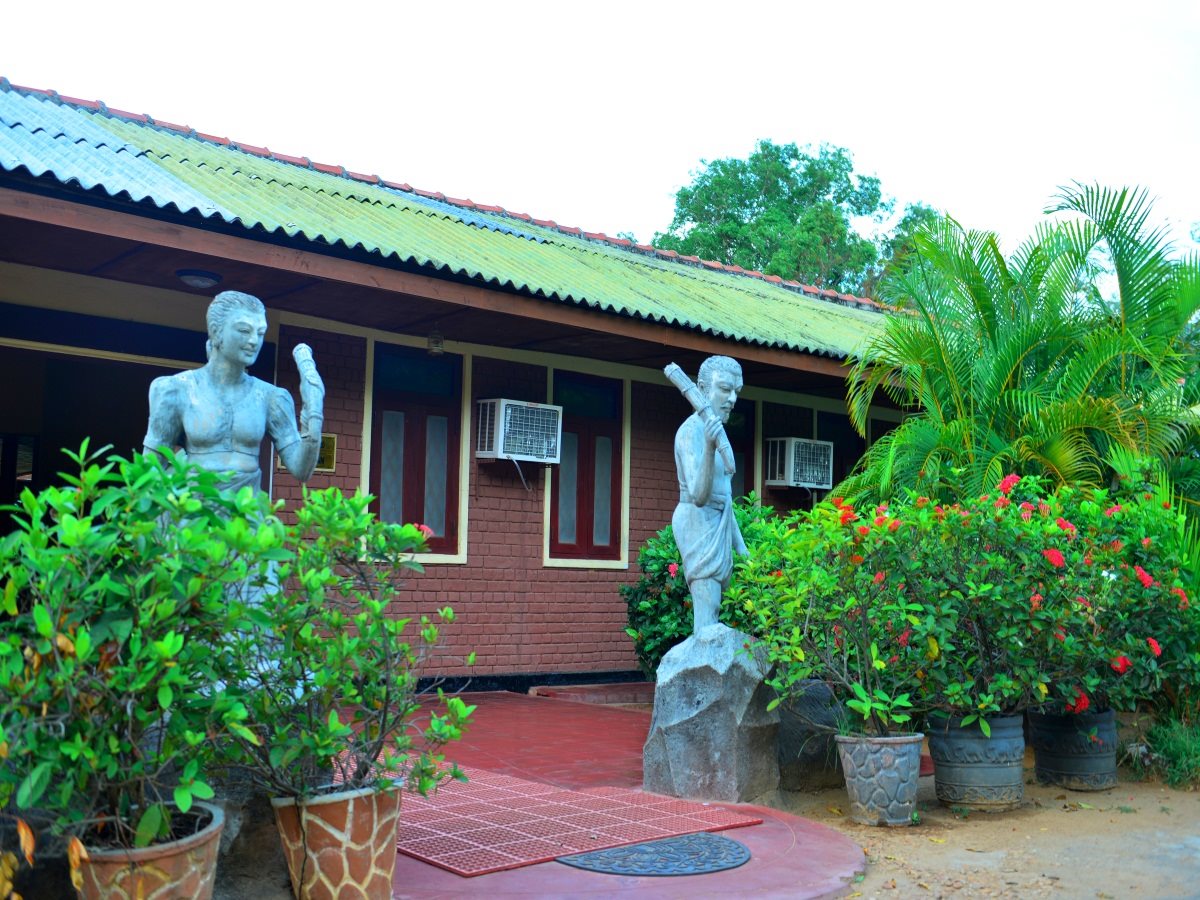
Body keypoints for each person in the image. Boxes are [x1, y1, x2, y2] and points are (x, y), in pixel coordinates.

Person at [143, 290, 325, 491]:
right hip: (192, 513)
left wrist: (313, 417)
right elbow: (152, 468)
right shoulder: (176, 390)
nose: (254, 341)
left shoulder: (270, 398)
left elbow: (301, 470)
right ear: (216, 331)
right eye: (244, 331)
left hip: (247, 513)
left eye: (261, 333)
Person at [671, 355, 747, 633]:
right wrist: (709, 445)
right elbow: (700, 495)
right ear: (703, 389)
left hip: (719, 522)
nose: (732, 399)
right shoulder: (690, 433)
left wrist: (742, 549)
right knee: (706, 609)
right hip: (696, 522)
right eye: (725, 389)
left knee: (716, 609)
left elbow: (724, 499)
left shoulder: (717, 431)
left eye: (736, 391)